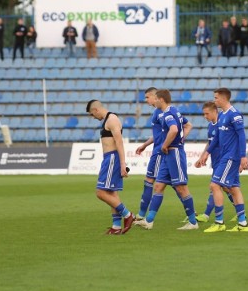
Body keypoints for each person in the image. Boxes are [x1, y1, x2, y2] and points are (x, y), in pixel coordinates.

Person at [134, 89, 199, 231]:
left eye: (155, 99)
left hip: (174, 153)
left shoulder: (168, 114)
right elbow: (186, 126)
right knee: (159, 186)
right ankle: (149, 221)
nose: (153, 101)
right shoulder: (173, 111)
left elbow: (174, 130)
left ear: (161, 100)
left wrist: (166, 144)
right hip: (167, 155)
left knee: (181, 188)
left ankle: (193, 222)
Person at [197, 88, 248, 232]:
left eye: (216, 98)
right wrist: (207, 152)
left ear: (223, 98)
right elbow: (217, 139)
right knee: (233, 188)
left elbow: (242, 136)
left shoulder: (234, 114)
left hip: (231, 157)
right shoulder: (222, 117)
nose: (214, 100)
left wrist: (243, 156)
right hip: (226, 157)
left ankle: (219, 223)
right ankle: (242, 224)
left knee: (214, 185)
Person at [85, 100, 134, 235]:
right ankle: (116, 226)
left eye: (91, 114)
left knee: (100, 192)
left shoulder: (112, 119)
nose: (93, 117)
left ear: (95, 110)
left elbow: (119, 142)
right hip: (109, 158)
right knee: (112, 193)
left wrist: (123, 163)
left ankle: (128, 215)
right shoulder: (107, 120)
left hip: (112, 158)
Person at [193, 101, 236, 223]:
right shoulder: (210, 125)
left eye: (207, 114)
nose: (205, 116)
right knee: (227, 188)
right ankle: (240, 212)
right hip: (216, 161)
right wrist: (203, 156)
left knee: (216, 186)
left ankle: (207, 215)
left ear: (214, 111)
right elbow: (210, 142)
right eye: (204, 114)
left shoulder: (223, 124)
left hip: (226, 160)